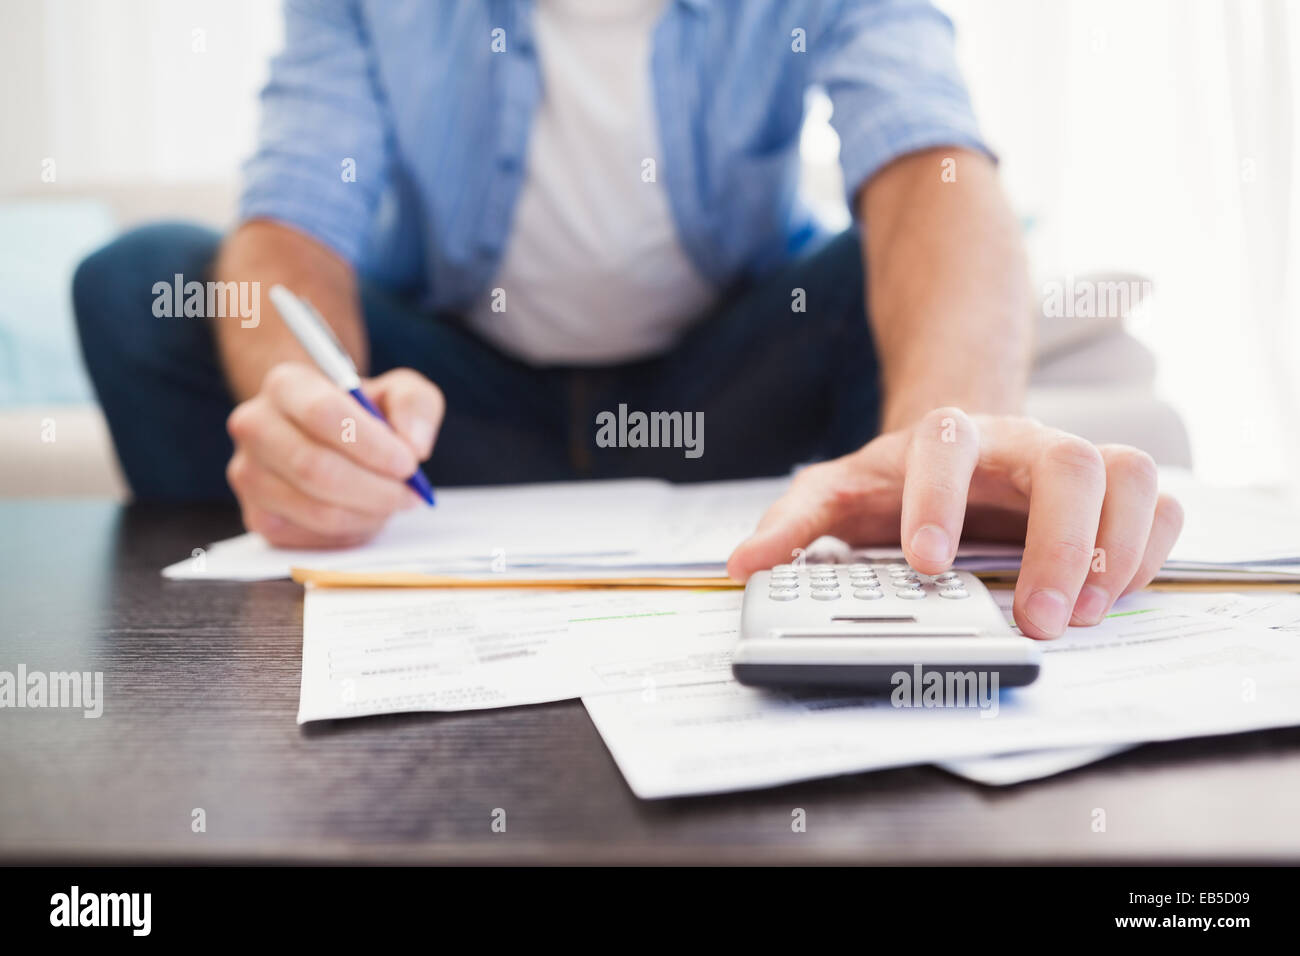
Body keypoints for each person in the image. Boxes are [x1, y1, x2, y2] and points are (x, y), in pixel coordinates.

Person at [72, 0, 1182, 639]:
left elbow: (930, 161)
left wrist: (952, 432)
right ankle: (285, 581)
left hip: (731, 401)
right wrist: (318, 413)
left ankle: (908, 519)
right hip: (458, 422)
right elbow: (291, 223)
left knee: (864, 271)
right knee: (144, 282)